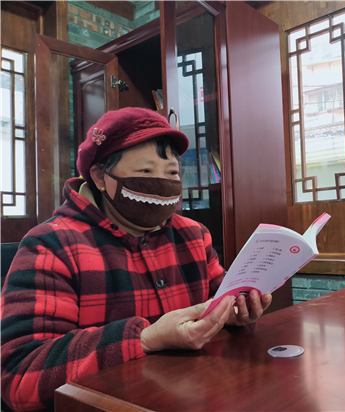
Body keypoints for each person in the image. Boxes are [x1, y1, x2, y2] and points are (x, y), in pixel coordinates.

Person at [1, 107, 272, 412]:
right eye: (145, 172)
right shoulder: (51, 245)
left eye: (172, 173)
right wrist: (144, 338)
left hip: (195, 397)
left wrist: (236, 313)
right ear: (100, 177)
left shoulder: (194, 235)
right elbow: (20, 376)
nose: (163, 182)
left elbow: (221, 301)